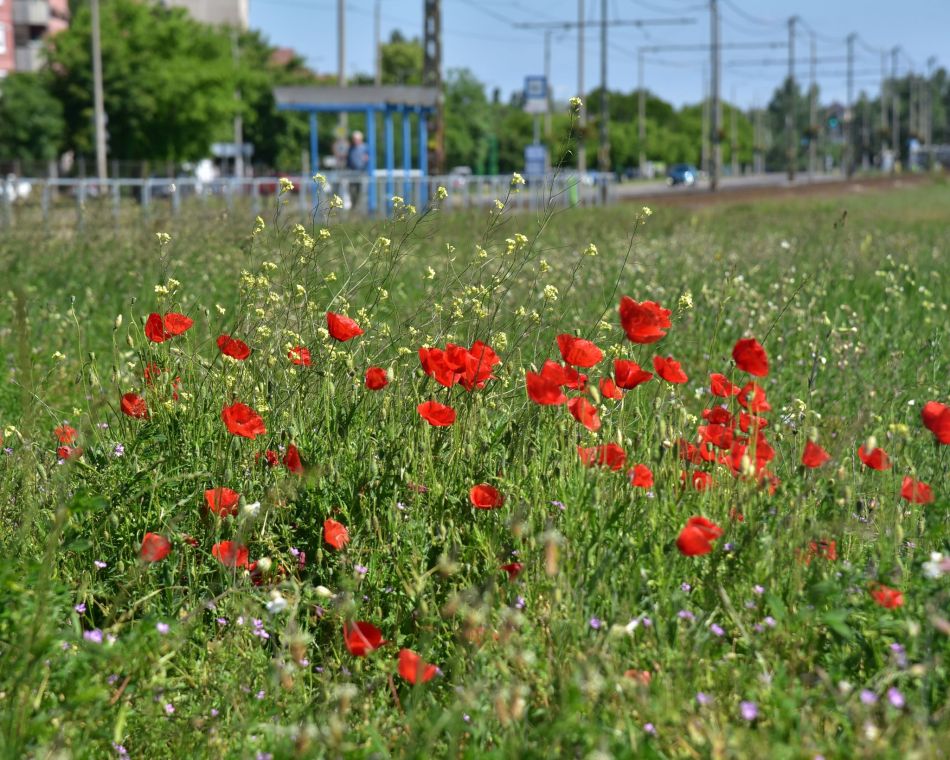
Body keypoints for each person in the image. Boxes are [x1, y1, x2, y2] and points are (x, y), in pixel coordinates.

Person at [347, 130, 370, 210]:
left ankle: (359, 207)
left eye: (356, 139)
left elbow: (368, 159)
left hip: (362, 172)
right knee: (351, 189)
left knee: (361, 190)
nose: (355, 141)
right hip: (352, 172)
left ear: (360, 139)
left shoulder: (365, 147)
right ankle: (354, 206)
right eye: (354, 139)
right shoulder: (351, 148)